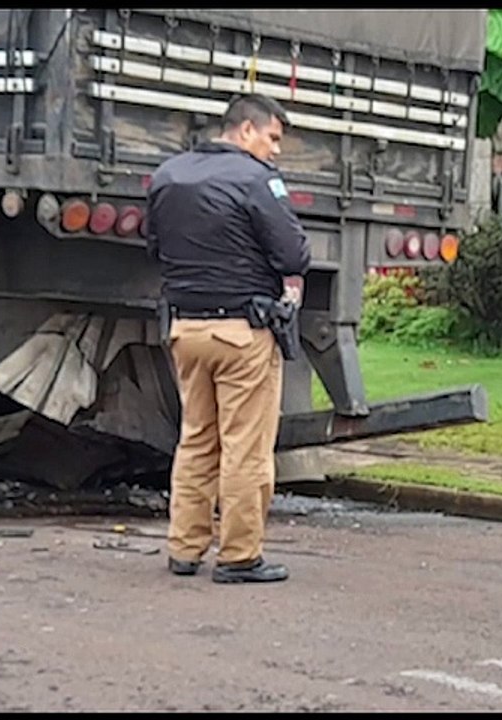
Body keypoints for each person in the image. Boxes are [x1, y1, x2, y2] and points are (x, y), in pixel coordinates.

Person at [145, 93, 310, 584]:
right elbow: (293, 251)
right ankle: (240, 556)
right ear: (245, 131)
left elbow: (153, 245)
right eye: (272, 138)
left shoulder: (167, 175)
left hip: (185, 329)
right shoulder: (257, 180)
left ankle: (184, 548)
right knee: (246, 446)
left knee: (196, 440)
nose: (276, 150)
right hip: (242, 332)